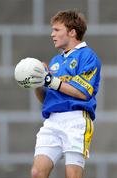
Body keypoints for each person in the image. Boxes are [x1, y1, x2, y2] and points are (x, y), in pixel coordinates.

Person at [29, 10, 101, 178]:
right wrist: (37, 83)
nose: (52, 34)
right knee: (37, 173)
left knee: (72, 175)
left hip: (76, 120)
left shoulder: (88, 56)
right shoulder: (56, 61)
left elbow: (83, 93)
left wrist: (50, 81)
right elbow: (45, 98)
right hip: (52, 121)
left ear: (72, 32)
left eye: (56, 30)